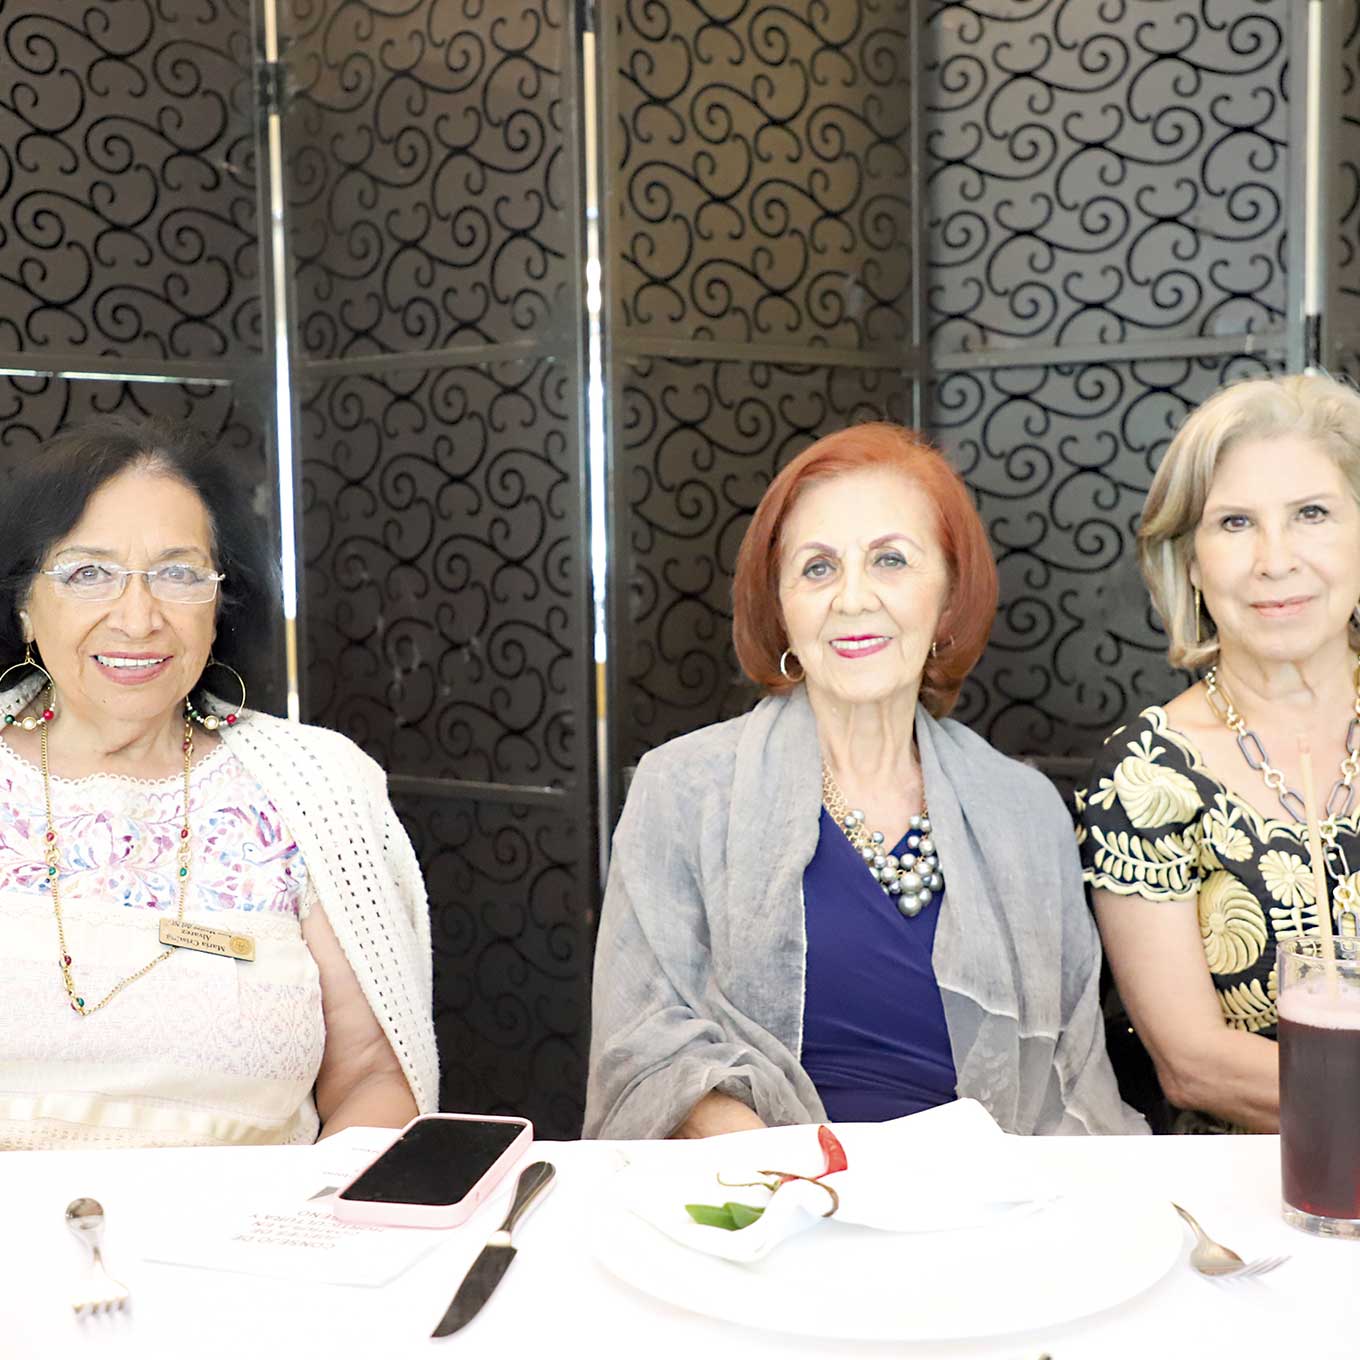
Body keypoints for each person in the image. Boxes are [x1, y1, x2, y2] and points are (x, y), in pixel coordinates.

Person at [585, 422, 1143, 1140]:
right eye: (818, 568)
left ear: (949, 596)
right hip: (767, 1187)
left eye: (890, 560)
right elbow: (643, 1052)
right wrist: (787, 1174)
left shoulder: (1025, 810)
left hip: (992, 1196)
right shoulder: (684, 791)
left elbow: (1074, 1077)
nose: (852, 598)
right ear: (781, 606)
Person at [0, 419, 437, 1149]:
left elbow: (372, 1075)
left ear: (220, 606)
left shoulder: (315, 787)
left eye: (177, 574)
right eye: (87, 573)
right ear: (24, 605)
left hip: (253, 1219)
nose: (137, 619)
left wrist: (314, 1204)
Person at [1078, 373, 1360, 1133]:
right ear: (1193, 562)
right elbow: (1194, 1063)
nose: (1275, 559)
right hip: (1251, 1183)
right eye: (1235, 523)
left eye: (1311, 514)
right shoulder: (1146, 776)